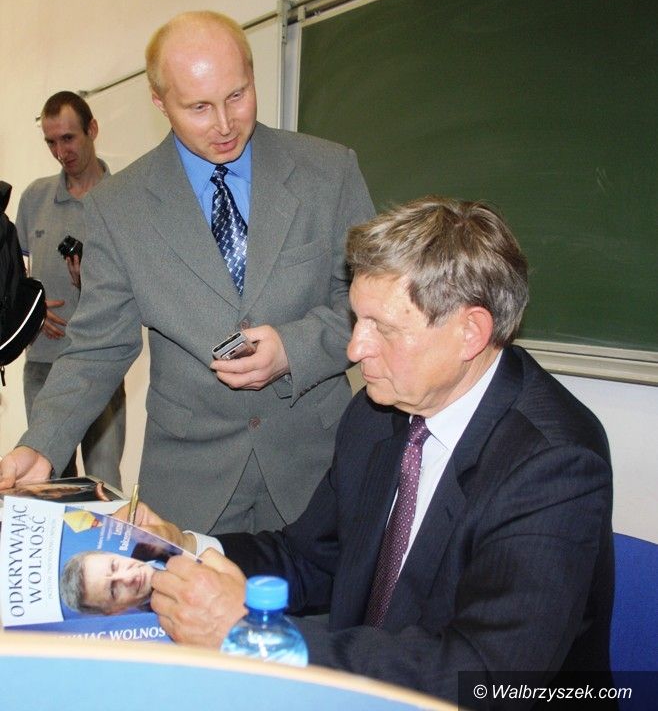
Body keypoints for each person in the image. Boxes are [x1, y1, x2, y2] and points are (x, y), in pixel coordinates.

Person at [114, 197, 614, 705]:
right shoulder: (378, 414)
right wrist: (185, 546)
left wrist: (257, 639)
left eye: (383, 329)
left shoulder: (553, 463)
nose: (355, 349)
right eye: (357, 320)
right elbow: (311, 558)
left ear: (470, 332)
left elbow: (485, 676)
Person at [0, 11, 374, 534]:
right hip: (190, 486)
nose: (224, 124)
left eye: (237, 96)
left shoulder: (328, 172)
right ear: (159, 101)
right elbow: (98, 347)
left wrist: (294, 348)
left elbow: (370, 307)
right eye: (198, 107)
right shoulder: (119, 207)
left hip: (316, 468)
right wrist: (41, 444)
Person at [14, 91, 126, 489]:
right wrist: (31, 309)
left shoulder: (123, 198)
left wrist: (91, 282)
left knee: (102, 483)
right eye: (51, 142)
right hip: (42, 364)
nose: (61, 152)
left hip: (101, 364)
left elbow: (139, 285)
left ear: (92, 129)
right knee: (49, 484)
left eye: (68, 138)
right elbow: (14, 277)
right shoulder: (34, 197)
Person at [60, 548, 170, 615]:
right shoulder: (167, 627)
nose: (129, 577)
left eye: (114, 566)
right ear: (115, 610)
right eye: (113, 591)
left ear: (113, 554)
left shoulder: (152, 542)